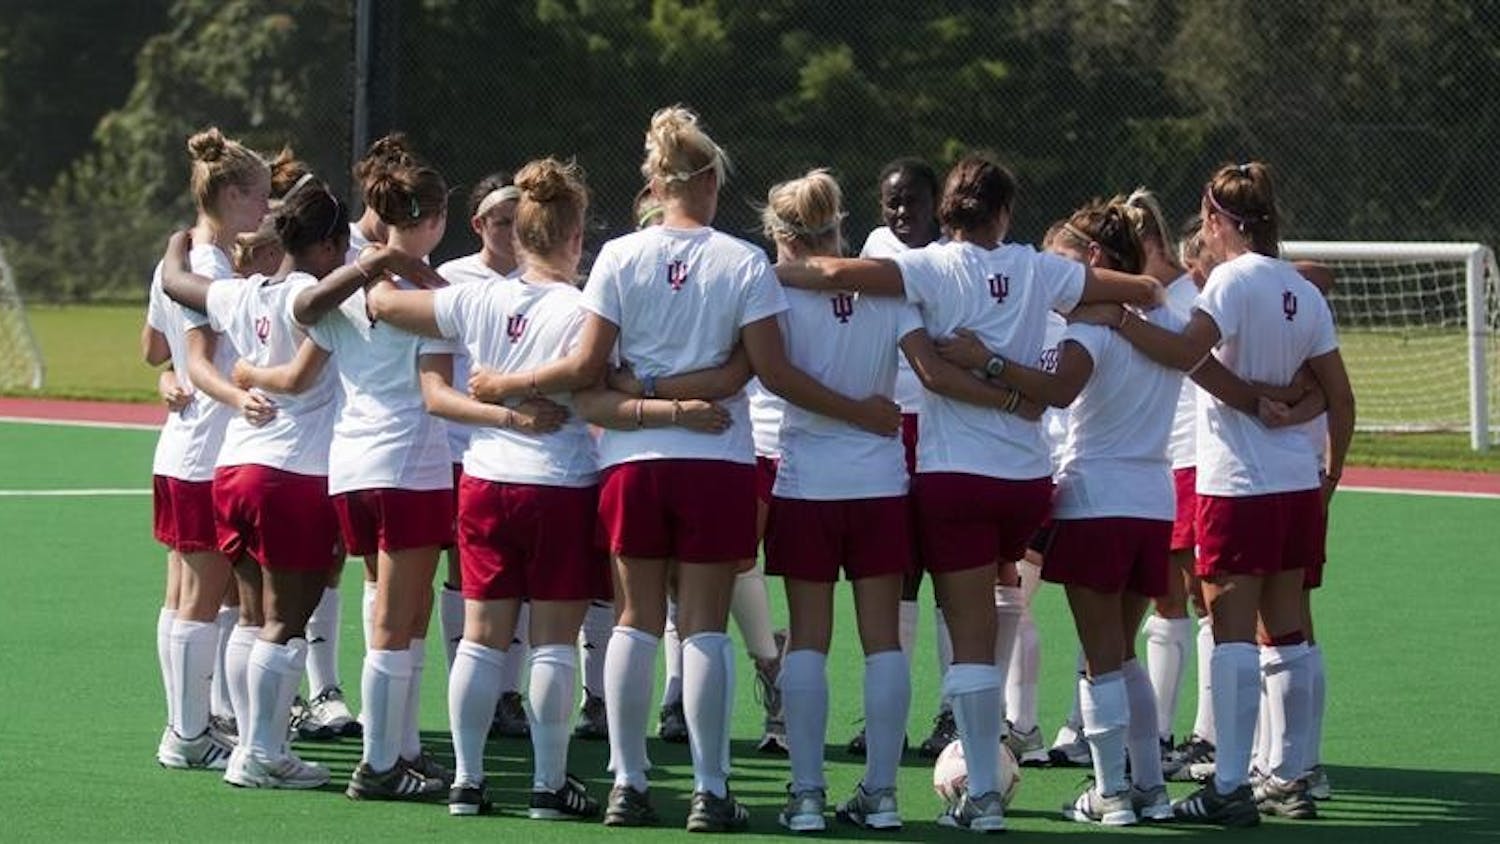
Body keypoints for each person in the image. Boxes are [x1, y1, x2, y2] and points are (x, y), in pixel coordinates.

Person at [468, 106, 898, 832]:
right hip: (714, 460)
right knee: (702, 628)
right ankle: (709, 789)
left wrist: (640, 389)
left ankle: (628, 783)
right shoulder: (742, 260)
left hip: (633, 462)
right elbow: (761, 371)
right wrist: (697, 392)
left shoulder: (619, 256)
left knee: (635, 621)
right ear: (707, 181)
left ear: (657, 183)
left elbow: (591, 369)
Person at [776, 152, 1162, 832]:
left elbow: (834, 274)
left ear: (946, 209)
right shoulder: (1037, 268)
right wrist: (1107, 313)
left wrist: (757, 271)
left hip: (954, 478)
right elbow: (1141, 290)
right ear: (1005, 213)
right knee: (1007, 607)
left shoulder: (928, 267)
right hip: (1027, 480)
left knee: (967, 642)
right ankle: (1086, 773)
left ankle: (979, 794)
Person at [1070, 162, 1355, 825]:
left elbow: (1184, 352)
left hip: (1238, 482)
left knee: (1231, 635)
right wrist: (1330, 477)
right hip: (1296, 481)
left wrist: (1118, 321)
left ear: (1218, 218)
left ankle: (1229, 784)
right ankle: (1291, 777)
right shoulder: (1299, 289)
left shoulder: (1228, 281)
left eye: (1206, 219)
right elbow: (1340, 397)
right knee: (1288, 634)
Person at [367, 157, 608, 820]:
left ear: (519, 234)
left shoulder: (475, 297)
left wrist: (389, 261)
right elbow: (599, 374)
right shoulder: (583, 307)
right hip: (559, 480)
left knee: (480, 638)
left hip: (485, 479)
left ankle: (468, 781)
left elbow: (383, 303)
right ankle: (549, 784)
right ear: (575, 236)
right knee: (553, 642)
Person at [939, 200, 1184, 825]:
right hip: (1152, 502)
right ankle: (1150, 788)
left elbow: (1055, 391)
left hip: (1097, 499)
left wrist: (986, 360)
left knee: (1101, 658)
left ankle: (1111, 794)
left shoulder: (1094, 330)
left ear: (1095, 259)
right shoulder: (1163, 325)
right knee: (1122, 655)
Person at [157, 179, 356, 788]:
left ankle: (249, 745)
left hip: (234, 466)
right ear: (329, 245)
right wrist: (381, 263)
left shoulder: (241, 293)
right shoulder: (316, 298)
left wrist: (177, 241)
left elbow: (176, 282)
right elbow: (318, 322)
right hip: (294, 473)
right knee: (284, 622)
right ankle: (264, 753)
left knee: (248, 618)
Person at [756, 169, 927, 832]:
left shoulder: (773, 291)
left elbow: (777, 377)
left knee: (808, 641)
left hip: (808, 482)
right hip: (879, 483)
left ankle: (806, 795)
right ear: (837, 226)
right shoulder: (884, 286)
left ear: (782, 235)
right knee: (883, 642)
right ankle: (881, 794)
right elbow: (926, 365)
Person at [284, 157, 456, 802]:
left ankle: (402, 747)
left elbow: (308, 326)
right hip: (408, 465)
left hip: (353, 465)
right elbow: (439, 387)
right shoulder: (425, 297)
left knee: (403, 612)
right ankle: (379, 763)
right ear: (435, 219)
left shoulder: (348, 286)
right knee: (394, 619)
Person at [148, 127, 269, 771]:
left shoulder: (178, 259)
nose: (266, 209)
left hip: (178, 448)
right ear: (229, 195)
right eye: (259, 197)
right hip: (206, 451)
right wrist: (241, 391)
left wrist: (173, 377)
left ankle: (189, 723)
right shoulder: (211, 269)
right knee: (199, 600)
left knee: (181, 598)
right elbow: (196, 359)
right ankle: (188, 734)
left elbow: (154, 350)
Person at [847, 157, 950, 759]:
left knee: (950, 570)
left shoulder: (952, 256)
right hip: (888, 426)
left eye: (914, 200)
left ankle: (951, 714)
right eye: (893, 201)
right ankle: (889, 716)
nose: (903, 211)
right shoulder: (875, 246)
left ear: (937, 204)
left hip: (944, 425)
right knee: (897, 571)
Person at [428, 171, 535, 739]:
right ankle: (467, 685)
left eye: (521, 221)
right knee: (462, 570)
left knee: (517, 576)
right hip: (458, 445)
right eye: (501, 222)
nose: (511, 232)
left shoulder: (542, 280)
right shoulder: (451, 278)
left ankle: (507, 693)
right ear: (478, 224)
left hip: (523, 446)